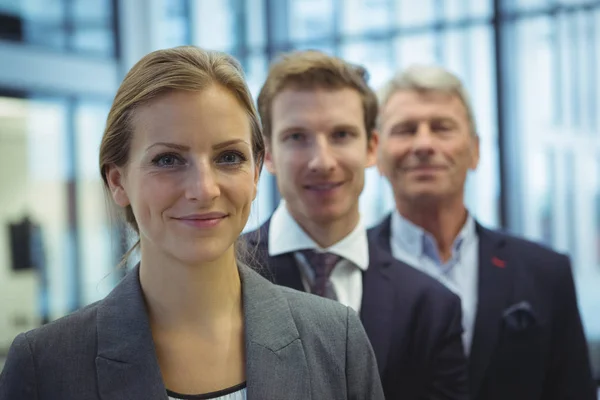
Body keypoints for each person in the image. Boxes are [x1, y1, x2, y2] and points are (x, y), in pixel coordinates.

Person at [0, 46, 384, 400]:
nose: (204, 188)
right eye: (168, 159)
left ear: (254, 173)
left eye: (229, 157)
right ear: (118, 181)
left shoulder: (336, 340)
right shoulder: (45, 365)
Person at [244, 50, 468, 400]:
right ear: (268, 153)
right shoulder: (223, 270)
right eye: (297, 137)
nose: (322, 161)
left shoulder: (431, 307)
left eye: (341, 135)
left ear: (371, 148)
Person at [373, 64, 597, 400]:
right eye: (405, 129)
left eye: (442, 128)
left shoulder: (546, 273)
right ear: (376, 154)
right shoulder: (349, 269)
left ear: (475, 150)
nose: (423, 143)